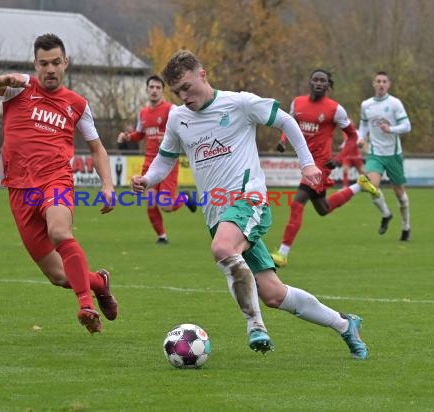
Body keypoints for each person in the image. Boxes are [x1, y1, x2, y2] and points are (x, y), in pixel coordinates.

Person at [131, 50, 368, 360]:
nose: (184, 96)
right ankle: (344, 324)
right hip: (216, 212)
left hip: (248, 199)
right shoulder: (178, 118)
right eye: (177, 92)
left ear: (203, 74)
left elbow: (286, 120)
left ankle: (255, 325)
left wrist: (307, 165)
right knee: (272, 293)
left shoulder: (239, 103)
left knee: (222, 249)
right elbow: (165, 160)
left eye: (187, 87)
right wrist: (148, 180)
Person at [0, 33, 118, 334]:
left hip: (56, 179)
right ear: (35, 64)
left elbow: (97, 149)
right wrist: (4, 79)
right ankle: (99, 283)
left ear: (66, 63)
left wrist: (107, 185)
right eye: (43, 63)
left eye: (55, 63)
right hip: (19, 191)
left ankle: (85, 304)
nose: (50, 69)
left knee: (59, 230)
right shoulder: (18, 89)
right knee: (59, 276)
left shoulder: (77, 104)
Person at [271, 69, 380, 267]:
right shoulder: (298, 103)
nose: (319, 83)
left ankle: (282, 252)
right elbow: (289, 124)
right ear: (310, 82)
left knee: (297, 203)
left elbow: (353, 136)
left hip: (320, 164)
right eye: (315, 79)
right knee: (323, 208)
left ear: (328, 86)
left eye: (323, 80)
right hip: (305, 162)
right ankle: (359, 186)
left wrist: (339, 158)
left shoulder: (335, 109)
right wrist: (283, 141)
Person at [118, 75, 196, 244]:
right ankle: (162, 236)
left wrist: (169, 138)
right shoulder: (143, 113)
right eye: (151, 87)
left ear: (162, 91)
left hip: (167, 162)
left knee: (166, 206)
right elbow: (140, 134)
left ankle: (184, 197)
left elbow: (185, 129)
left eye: (157, 88)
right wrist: (127, 137)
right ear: (146, 90)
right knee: (150, 202)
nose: (154, 90)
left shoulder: (171, 110)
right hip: (149, 162)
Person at [358, 71, 412, 241]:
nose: (381, 84)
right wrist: (361, 137)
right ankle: (386, 214)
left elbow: (407, 126)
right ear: (374, 84)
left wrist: (391, 129)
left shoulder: (395, 103)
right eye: (378, 81)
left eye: (384, 81)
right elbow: (364, 124)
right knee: (371, 187)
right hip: (375, 154)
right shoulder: (366, 105)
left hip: (393, 154)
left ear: (388, 84)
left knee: (400, 195)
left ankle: (405, 226)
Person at [334, 123, 365, 187]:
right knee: (345, 170)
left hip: (356, 155)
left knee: (362, 172)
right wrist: (342, 146)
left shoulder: (357, 132)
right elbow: (347, 142)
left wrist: (360, 144)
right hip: (347, 156)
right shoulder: (344, 133)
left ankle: (365, 185)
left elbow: (360, 143)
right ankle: (345, 186)